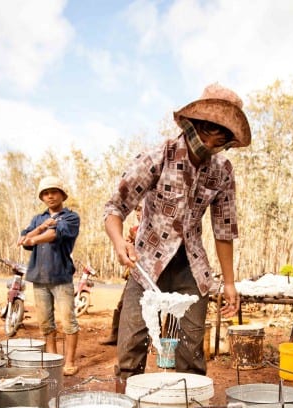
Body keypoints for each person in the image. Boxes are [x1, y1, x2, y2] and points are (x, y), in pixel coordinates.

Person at [103, 83, 249, 388]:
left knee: (191, 350)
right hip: (146, 266)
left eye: (221, 137)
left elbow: (223, 228)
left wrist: (231, 283)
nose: (212, 142)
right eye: (208, 131)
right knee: (130, 348)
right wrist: (119, 243)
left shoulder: (222, 170)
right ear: (194, 124)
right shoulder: (159, 156)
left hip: (191, 267)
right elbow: (115, 207)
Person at [19, 176, 81, 376]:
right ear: (42, 197)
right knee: (46, 323)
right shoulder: (38, 219)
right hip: (39, 277)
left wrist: (34, 237)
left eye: (54, 191)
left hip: (61, 277)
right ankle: (53, 359)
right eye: (46, 193)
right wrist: (38, 229)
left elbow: (53, 235)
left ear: (62, 195)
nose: (50, 196)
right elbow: (23, 239)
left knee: (68, 321)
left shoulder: (71, 217)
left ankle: (70, 361)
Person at [101, 206, 140, 346]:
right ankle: (115, 335)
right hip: (136, 275)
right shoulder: (134, 229)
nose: (139, 213)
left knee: (154, 307)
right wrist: (129, 242)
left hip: (156, 276)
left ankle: (155, 341)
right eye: (138, 210)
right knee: (122, 305)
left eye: (142, 210)